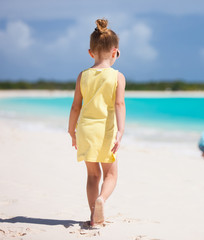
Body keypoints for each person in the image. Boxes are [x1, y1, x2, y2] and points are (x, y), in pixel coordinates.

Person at [68, 18, 126, 227]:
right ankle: (102, 199)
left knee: (92, 174)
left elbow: (76, 106)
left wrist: (71, 131)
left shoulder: (82, 75)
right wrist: (120, 131)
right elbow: (119, 104)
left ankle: (94, 215)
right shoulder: (117, 76)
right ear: (115, 52)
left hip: (85, 129)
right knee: (110, 173)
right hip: (105, 130)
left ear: (90, 52)